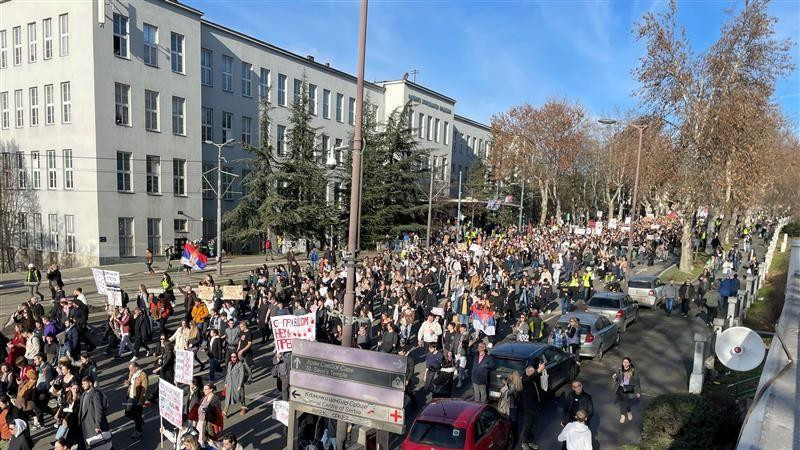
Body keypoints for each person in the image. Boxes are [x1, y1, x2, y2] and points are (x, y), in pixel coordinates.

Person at [519, 363, 546, 450]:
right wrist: (538, 370)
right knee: (527, 425)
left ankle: (530, 442)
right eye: (530, 371)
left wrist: (540, 370)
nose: (532, 373)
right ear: (526, 373)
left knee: (534, 426)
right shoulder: (525, 379)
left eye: (533, 371)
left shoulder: (534, 379)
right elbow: (528, 379)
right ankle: (524, 443)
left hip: (536, 406)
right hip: (528, 407)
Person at [79, 376, 109, 447]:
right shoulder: (84, 394)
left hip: (93, 424)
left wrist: (97, 425)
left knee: (100, 444)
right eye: (82, 384)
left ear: (90, 383)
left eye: (85, 384)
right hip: (86, 424)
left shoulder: (95, 394)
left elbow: (98, 410)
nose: (83, 386)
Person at [612, 357, 641, 424]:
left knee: (625, 402)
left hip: (628, 388)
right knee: (624, 402)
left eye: (627, 362)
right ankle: (628, 411)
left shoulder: (633, 371)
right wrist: (614, 378)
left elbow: (637, 382)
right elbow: (618, 380)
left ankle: (623, 415)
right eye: (624, 362)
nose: (625, 364)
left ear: (629, 363)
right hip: (620, 388)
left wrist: (638, 392)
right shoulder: (620, 370)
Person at [124, 362, 148, 439]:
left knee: (137, 415)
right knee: (127, 413)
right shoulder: (132, 373)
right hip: (131, 396)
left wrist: (141, 400)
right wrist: (128, 382)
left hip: (137, 398)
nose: (130, 371)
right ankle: (139, 421)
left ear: (136, 368)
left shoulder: (142, 375)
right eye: (129, 369)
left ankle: (139, 431)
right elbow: (131, 382)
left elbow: (144, 389)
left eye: (131, 369)